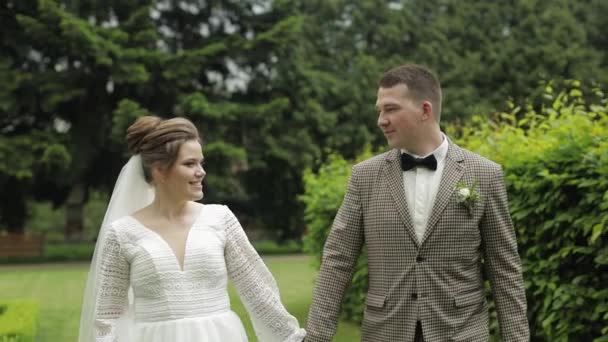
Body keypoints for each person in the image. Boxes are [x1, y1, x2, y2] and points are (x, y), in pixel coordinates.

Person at [304, 64, 528, 341]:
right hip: (386, 333)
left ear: (425, 110)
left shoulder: (484, 174)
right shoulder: (364, 177)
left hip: (462, 333)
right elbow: (337, 261)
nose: (381, 120)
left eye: (391, 109)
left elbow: (505, 269)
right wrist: (316, 336)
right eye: (379, 111)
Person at [79, 116, 306, 342]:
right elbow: (108, 316)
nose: (201, 172)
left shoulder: (220, 219)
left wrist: (290, 337)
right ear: (160, 171)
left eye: (201, 163)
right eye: (190, 164)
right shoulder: (122, 233)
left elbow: (257, 292)